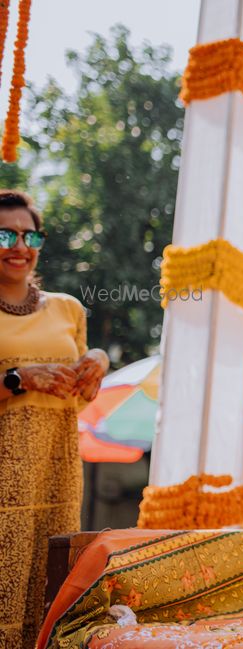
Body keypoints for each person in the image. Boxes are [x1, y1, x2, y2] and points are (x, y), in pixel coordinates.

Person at [0, 190, 109, 647]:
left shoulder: (68, 308)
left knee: (51, 582)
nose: (19, 245)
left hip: (57, 466)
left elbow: (79, 399)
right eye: (5, 234)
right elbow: (23, 379)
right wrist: (17, 379)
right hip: (4, 466)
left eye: (30, 235)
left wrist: (96, 363)